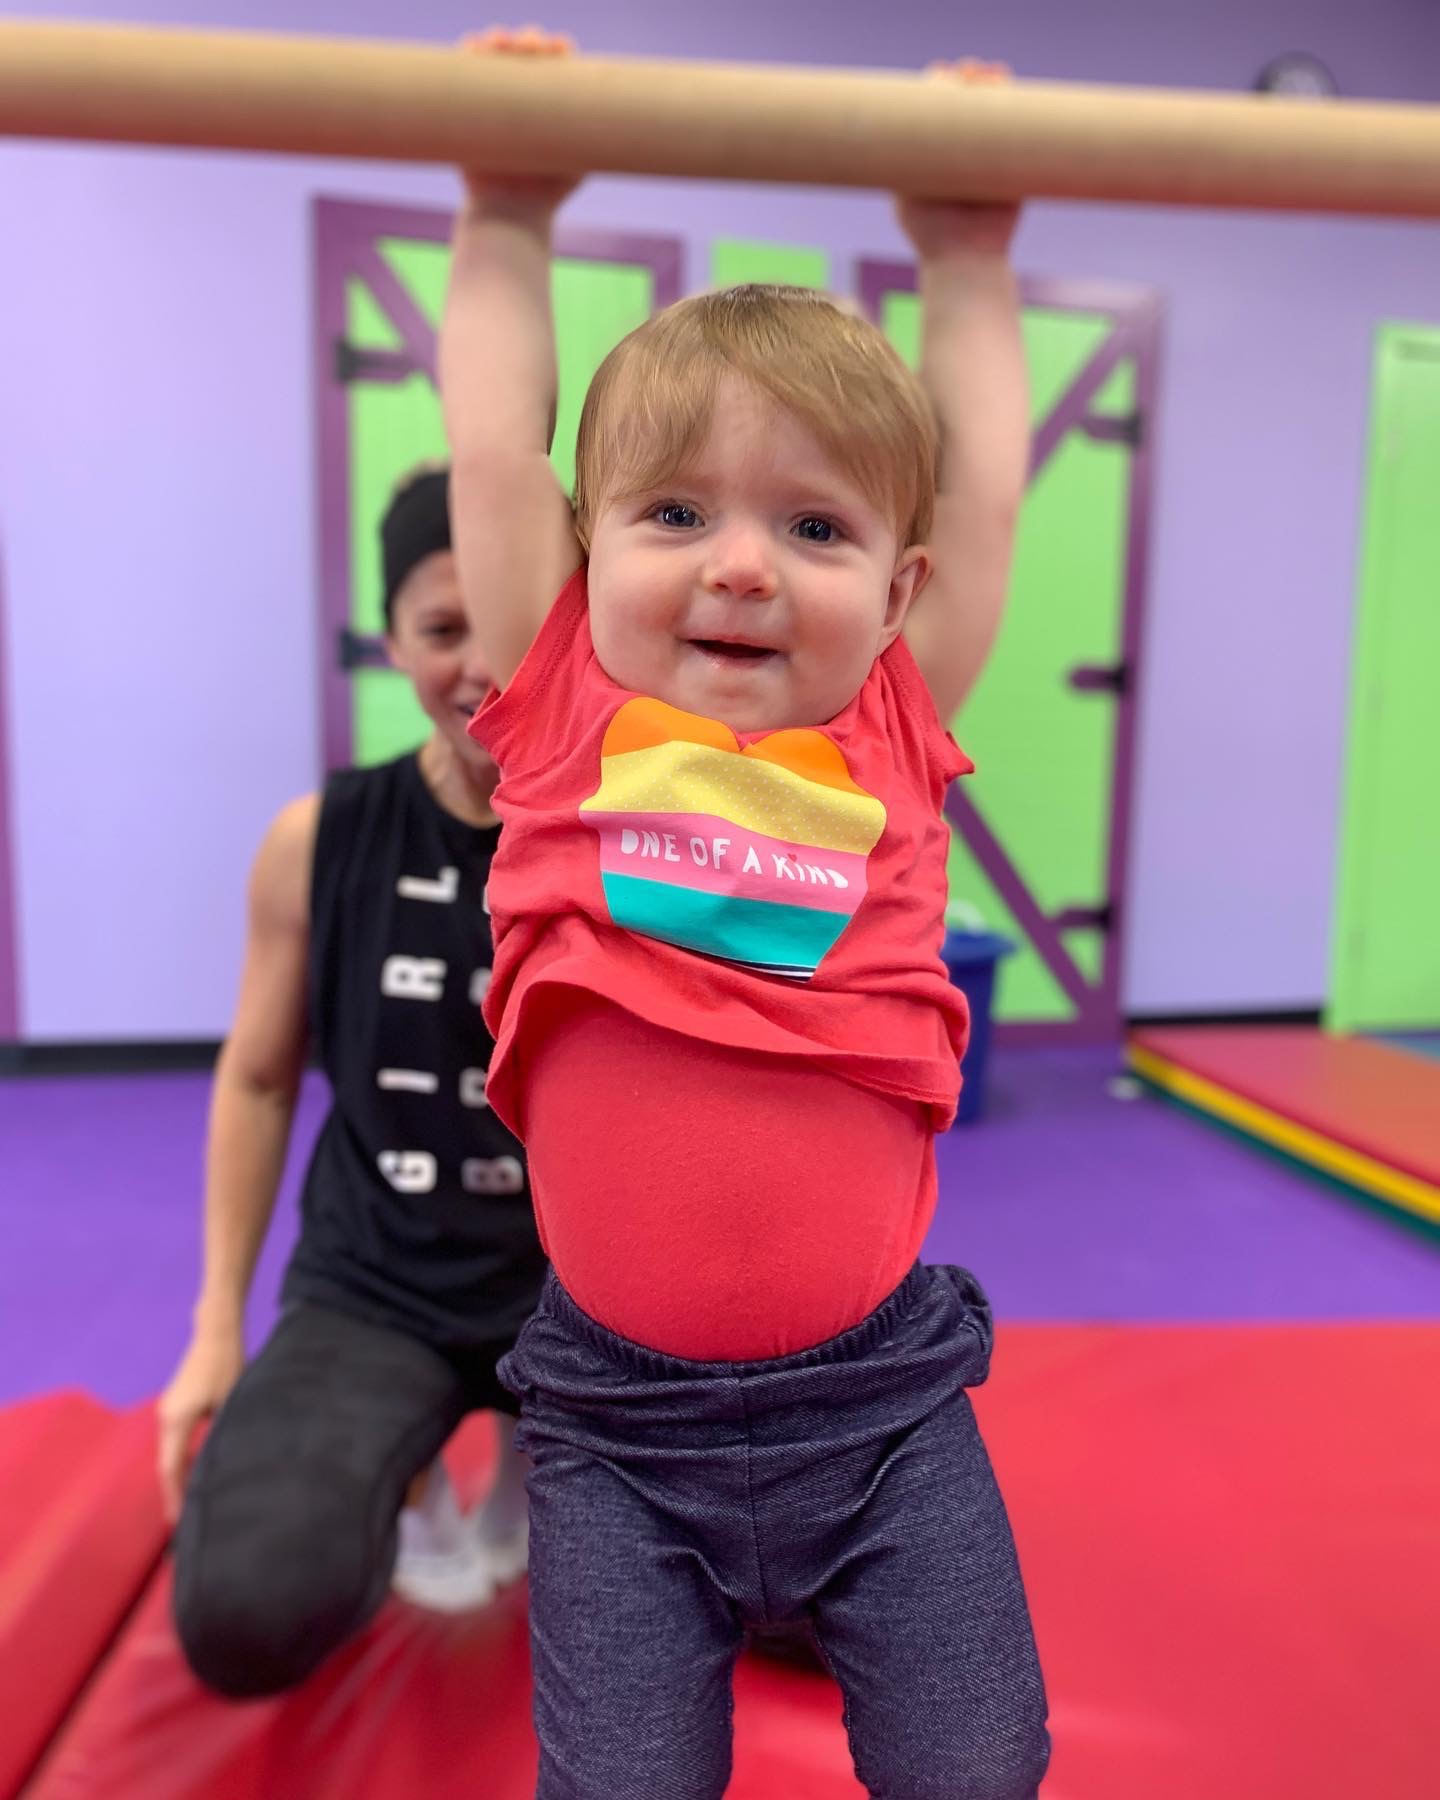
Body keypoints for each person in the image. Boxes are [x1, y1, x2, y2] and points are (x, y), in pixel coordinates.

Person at [441, 28, 1048, 1798]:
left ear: (896, 590)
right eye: (679, 511)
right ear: (585, 543)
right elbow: (488, 450)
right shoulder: (564, 718)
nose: (737, 564)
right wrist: (502, 210)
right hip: (619, 1433)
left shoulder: (886, 734)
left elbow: (989, 490)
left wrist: (966, 257)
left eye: (813, 526)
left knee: (978, 1766)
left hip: (882, 1410)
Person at [158, 466, 546, 1697]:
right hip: (379, 1284)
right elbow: (263, 1080)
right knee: (248, 1611)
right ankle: (413, 1478)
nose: (482, 664)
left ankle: (549, 1461)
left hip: (589, 1306)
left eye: (513, 622)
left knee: (795, 1594)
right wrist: (216, 1327)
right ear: (392, 642)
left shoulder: (633, 834)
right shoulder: (318, 839)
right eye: (442, 629)